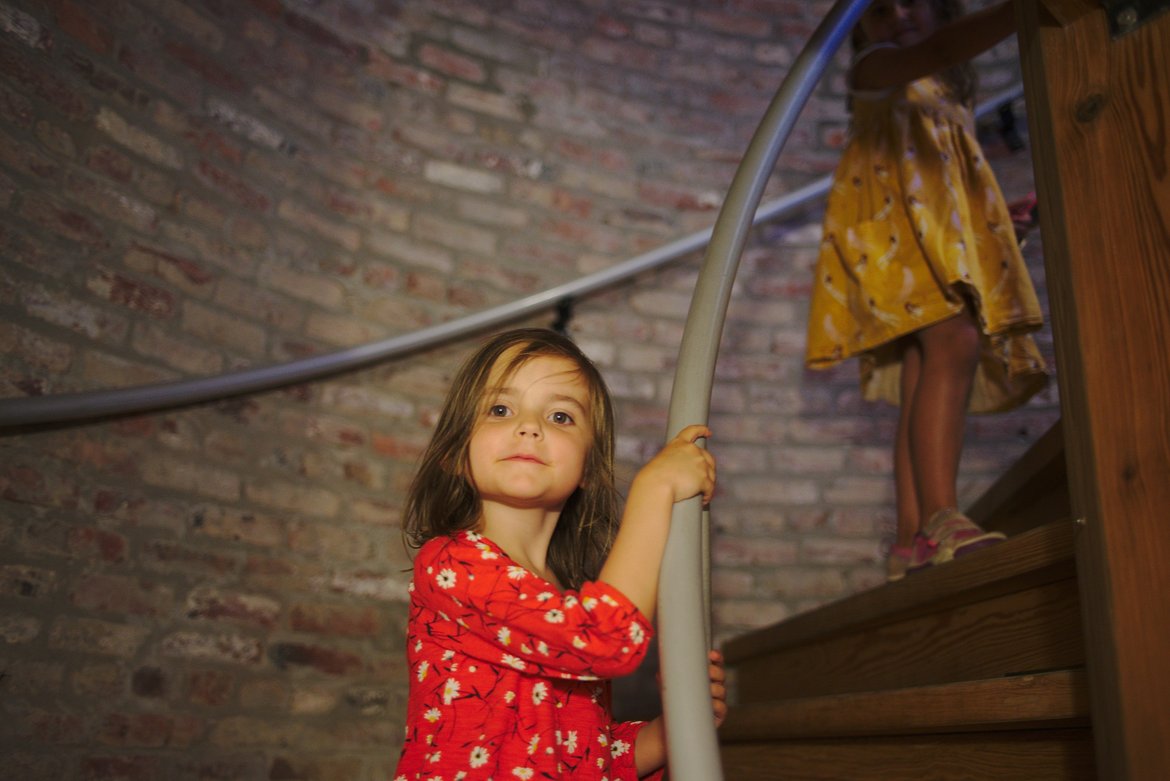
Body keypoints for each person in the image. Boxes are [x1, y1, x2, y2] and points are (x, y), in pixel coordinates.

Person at [394, 327, 726, 780]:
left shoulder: (564, 604)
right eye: (500, 409)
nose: (529, 426)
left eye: (561, 417)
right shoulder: (452, 563)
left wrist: (676, 728)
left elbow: (588, 757)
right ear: (455, 452)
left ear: (588, 466)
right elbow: (605, 640)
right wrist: (654, 489)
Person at [805, 0, 1049, 582]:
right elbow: (934, 50)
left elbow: (947, 181)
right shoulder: (881, 65)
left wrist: (994, 222)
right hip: (889, 238)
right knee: (956, 341)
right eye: (879, 9)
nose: (897, 15)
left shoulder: (946, 93)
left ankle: (912, 539)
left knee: (926, 359)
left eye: (910, 0)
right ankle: (943, 516)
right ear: (861, 27)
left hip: (933, 237)